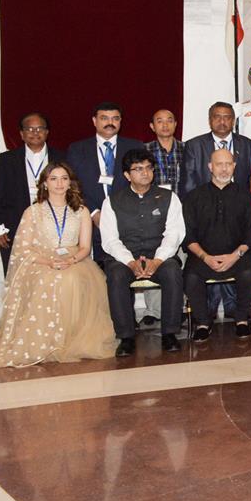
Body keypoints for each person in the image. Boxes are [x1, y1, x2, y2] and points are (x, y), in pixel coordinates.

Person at [0, 162, 114, 368]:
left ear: (70, 183)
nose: (59, 183)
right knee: (49, 278)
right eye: (54, 179)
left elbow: (84, 246)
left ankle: (70, 341)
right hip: (40, 260)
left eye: (64, 178)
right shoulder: (33, 212)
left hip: (74, 259)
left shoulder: (81, 210)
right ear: (45, 184)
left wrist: (70, 260)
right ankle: (45, 341)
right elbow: (24, 249)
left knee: (73, 278)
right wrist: (49, 261)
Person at [99, 150, 185, 355]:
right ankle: (126, 337)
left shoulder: (168, 197)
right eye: (138, 169)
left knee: (172, 271)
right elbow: (110, 240)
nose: (145, 173)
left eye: (148, 168)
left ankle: (170, 333)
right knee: (116, 275)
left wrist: (157, 260)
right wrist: (130, 262)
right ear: (127, 175)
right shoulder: (112, 201)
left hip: (159, 256)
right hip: (125, 258)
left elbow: (174, 234)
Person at [181, 148, 251, 340]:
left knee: (248, 273)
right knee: (190, 276)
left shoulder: (247, 197)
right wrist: (205, 257)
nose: (224, 169)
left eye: (228, 164)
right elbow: (188, 236)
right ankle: (202, 322)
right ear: (210, 167)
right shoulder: (194, 197)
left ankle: (242, 319)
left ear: (234, 167)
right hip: (203, 255)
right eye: (219, 164)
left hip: (238, 255)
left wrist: (234, 256)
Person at [0, 111, 64, 273]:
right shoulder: (6, 160)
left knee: (49, 276)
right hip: (13, 228)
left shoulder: (62, 157)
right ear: (21, 134)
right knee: (16, 274)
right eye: (30, 129)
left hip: (53, 227)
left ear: (47, 132)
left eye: (39, 129)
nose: (35, 133)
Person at [65, 102, 144, 227]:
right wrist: (94, 213)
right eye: (104, 118)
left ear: (120, 121)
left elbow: (142, 182)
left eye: (115, 118)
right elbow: (72, 184)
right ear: (94, 121)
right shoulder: (77, 149)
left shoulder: (135, 147)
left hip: (127, 220)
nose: (110, 123)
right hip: (88, 220)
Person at [180, 101, 251, 196]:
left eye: (227, 117)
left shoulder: (248, 145)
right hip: (205, 204)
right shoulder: (194, 146)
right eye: (217, 117)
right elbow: (188, 184)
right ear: (209, 120)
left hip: (239, 204)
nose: (222, 121)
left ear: (233, 121)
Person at [145, 109, 184, 192]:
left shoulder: (187, 149)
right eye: (160, 122)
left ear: (175, 124)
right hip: (153, 202)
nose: (165, 125)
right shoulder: (144, 150)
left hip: (182, 201)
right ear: (152, 126)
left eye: (169, 121)